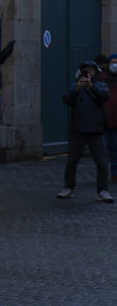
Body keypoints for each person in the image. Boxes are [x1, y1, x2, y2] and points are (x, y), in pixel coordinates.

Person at [57, 60, 114, 202]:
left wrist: (91, 86)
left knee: (101, 162)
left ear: (95, 72)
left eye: (91, 70)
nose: (88, 73)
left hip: (96, 130)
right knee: (72, 161)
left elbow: (104, 96)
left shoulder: (99, 85)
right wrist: (77, 88)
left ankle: (103, 190)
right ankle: (68, 187)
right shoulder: (75, 86)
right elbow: (66, 99)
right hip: (78, 129)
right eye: (85, 70)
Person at [103, 53, 117, 183]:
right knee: (103, 150)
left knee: (115, 150)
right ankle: (102, 174)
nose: (115, 65)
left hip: (116, 121)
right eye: (112, 62)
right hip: (103, 121)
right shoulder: (102, 79)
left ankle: (115, 174)